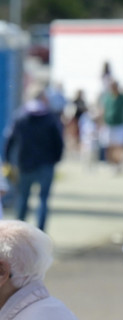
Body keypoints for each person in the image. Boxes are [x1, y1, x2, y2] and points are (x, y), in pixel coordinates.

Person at [3, 85, 64, 231]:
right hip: (46, 164)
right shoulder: (50, 117)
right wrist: (56, 159)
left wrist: (7, 160)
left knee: (23, 198)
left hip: (24, 163)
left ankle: (19, 232)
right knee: (43, 199)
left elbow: (9, 140)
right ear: (43, 98)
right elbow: (59, 142)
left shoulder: (20, 116)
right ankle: (40, 232)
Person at [100, 80, 123, 168]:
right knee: (109, 145)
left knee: (119, 145)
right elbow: (103, 111)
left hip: (120, 124)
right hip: (109, 124)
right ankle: (111, 163)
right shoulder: (107, 98)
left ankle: (119, 163)